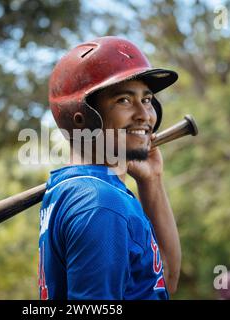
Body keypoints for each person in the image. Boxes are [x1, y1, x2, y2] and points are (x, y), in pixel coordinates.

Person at [38, 36, 181, 300]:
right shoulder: (100, 204)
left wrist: (152, 180)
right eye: (124, 100)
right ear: (82, 119)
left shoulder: (81, 190)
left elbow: (166, 280)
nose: (145, 115)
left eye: (147, 99)